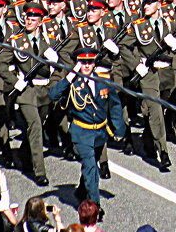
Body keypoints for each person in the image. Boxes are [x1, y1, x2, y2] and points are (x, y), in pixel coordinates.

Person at [48, 48, 125, 204]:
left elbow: (115, 105)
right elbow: (53, 95)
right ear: (78, 63)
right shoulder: (72, 82)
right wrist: (70, 76)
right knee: (91, 169)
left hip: (100, 132)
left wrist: (119, 128)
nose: (87, 66)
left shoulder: (103, 81)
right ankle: (94, 205)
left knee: (91, 165)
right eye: (83, 62)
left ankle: (82, 191)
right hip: (82, 132)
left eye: (90, 62)